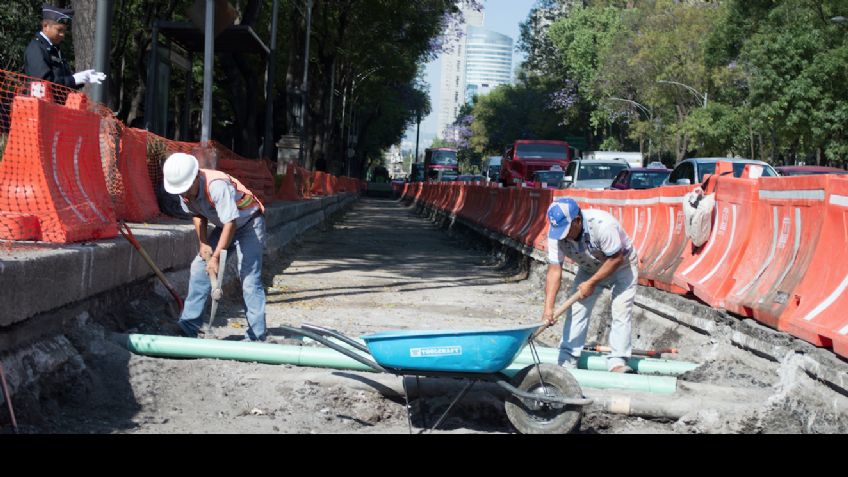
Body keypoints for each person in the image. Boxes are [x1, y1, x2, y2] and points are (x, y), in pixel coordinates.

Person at [162, 152, 268, 342]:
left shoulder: (216, 185)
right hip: (224, 225)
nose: (184, 194)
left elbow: (231, 223)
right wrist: (203, 243)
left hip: (249, 223)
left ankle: (256, 335)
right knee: (198, 267)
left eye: (186, 189)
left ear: (195, 177)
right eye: (181, 191)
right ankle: (189, 325)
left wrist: (217, 257)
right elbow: (197, 214)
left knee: (249, 279)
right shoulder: (184, 189)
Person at [542, 197, 638, 373]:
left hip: (621, 265)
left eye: (566, 230)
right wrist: (548, 309)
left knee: (621, 310)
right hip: (589, 267)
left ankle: (617, 362)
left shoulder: (602, 225)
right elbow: (554, 270)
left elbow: (616, 258)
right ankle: (567, 359)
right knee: (577, 309)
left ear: (577, 221)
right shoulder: (556, 232)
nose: (562, 236)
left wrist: (592, 283)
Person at [23, 5, 106, 89]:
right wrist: (74, 80)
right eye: (59, 30)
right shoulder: (36, 48)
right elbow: (43, 82)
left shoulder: (55, 49)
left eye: (64, 31)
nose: (62, 34)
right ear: (45, 26)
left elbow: (63, 80)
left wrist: (82, 78)